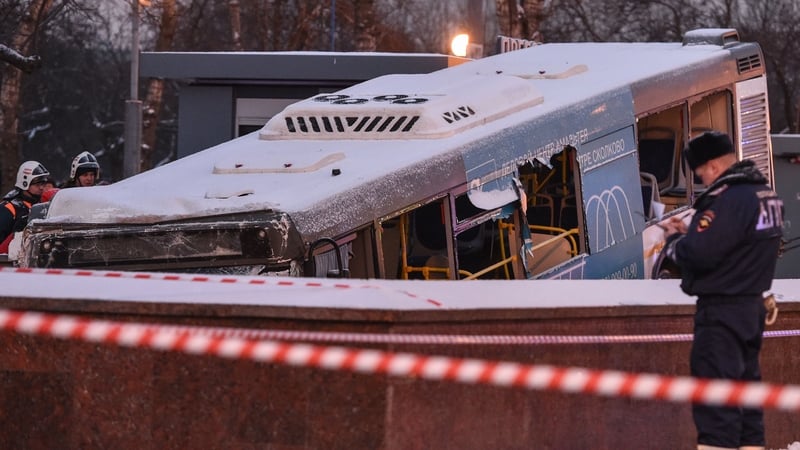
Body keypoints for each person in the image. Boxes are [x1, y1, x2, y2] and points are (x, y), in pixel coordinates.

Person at [662, 131, 783, 450]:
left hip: (721, 313)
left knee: (717, 401)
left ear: (713, 166)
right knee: (746, 398)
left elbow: (700, 254)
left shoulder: (727, 198)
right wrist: (695, 232)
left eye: (701, 173)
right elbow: (737, 242)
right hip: (751, 309)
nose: (702, 180)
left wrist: (676, 242)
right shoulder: (763, 193)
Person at [0, 161, 51, 248]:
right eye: (37, 184)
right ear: (25, 183)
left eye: (43, 183)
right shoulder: (9, 208)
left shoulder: (42, 206)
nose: (41, 188)